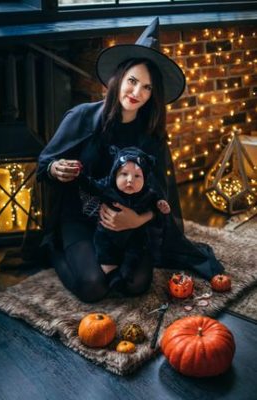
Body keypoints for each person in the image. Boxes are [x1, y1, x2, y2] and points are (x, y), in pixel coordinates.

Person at [36, 17, 224, 303]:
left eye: (147, 88)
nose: (137, 93)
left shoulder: (152, 134)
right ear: (119, 79)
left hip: (132, 222)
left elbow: (162, 193)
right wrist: (55, 168)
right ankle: (55, 250)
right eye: (132, 81)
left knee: (136, 284)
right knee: (93, 287)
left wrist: (138, 219)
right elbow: (45, 164)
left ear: (153, 95)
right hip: (82, 218)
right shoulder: (82, 117)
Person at [77, 145, 170, 290]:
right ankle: (112, 275)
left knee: (135, 251)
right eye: (124, 174)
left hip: (134, 235)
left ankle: (126, 272)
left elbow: (155, 206)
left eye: (137, 176)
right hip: (107, 234)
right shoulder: (108, 186)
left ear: (145, 179)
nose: (130, 180)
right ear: (115, 174)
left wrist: (160, 204)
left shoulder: (148, 193)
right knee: (104, 252)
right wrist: (80, 176)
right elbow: (91, 186)